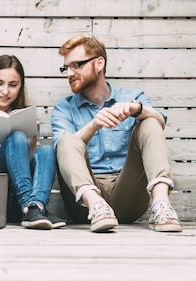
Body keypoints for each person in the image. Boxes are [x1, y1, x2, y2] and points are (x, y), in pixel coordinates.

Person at [51, 35, 182, 233]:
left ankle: (162, 205)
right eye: (66, 68)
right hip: (85, 205)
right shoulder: (64, 108)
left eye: (76, 65)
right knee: (66, 140)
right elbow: (63, 149)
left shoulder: (132, 97)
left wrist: (135, 109)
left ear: (99, 63)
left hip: (129, 194)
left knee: (150, 121)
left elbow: (160, 122)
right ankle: (97, 205)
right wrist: (94, 124)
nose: (69, 73)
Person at [0, 55, 65, 230]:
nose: (5, 91)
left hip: (15, 198)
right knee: (16, 136)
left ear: (20, 87)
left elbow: (24, 165)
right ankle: (31, 207)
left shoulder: (22, 116)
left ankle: (35, 207)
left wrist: (33, 138)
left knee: (46, 151)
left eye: (13, 85)